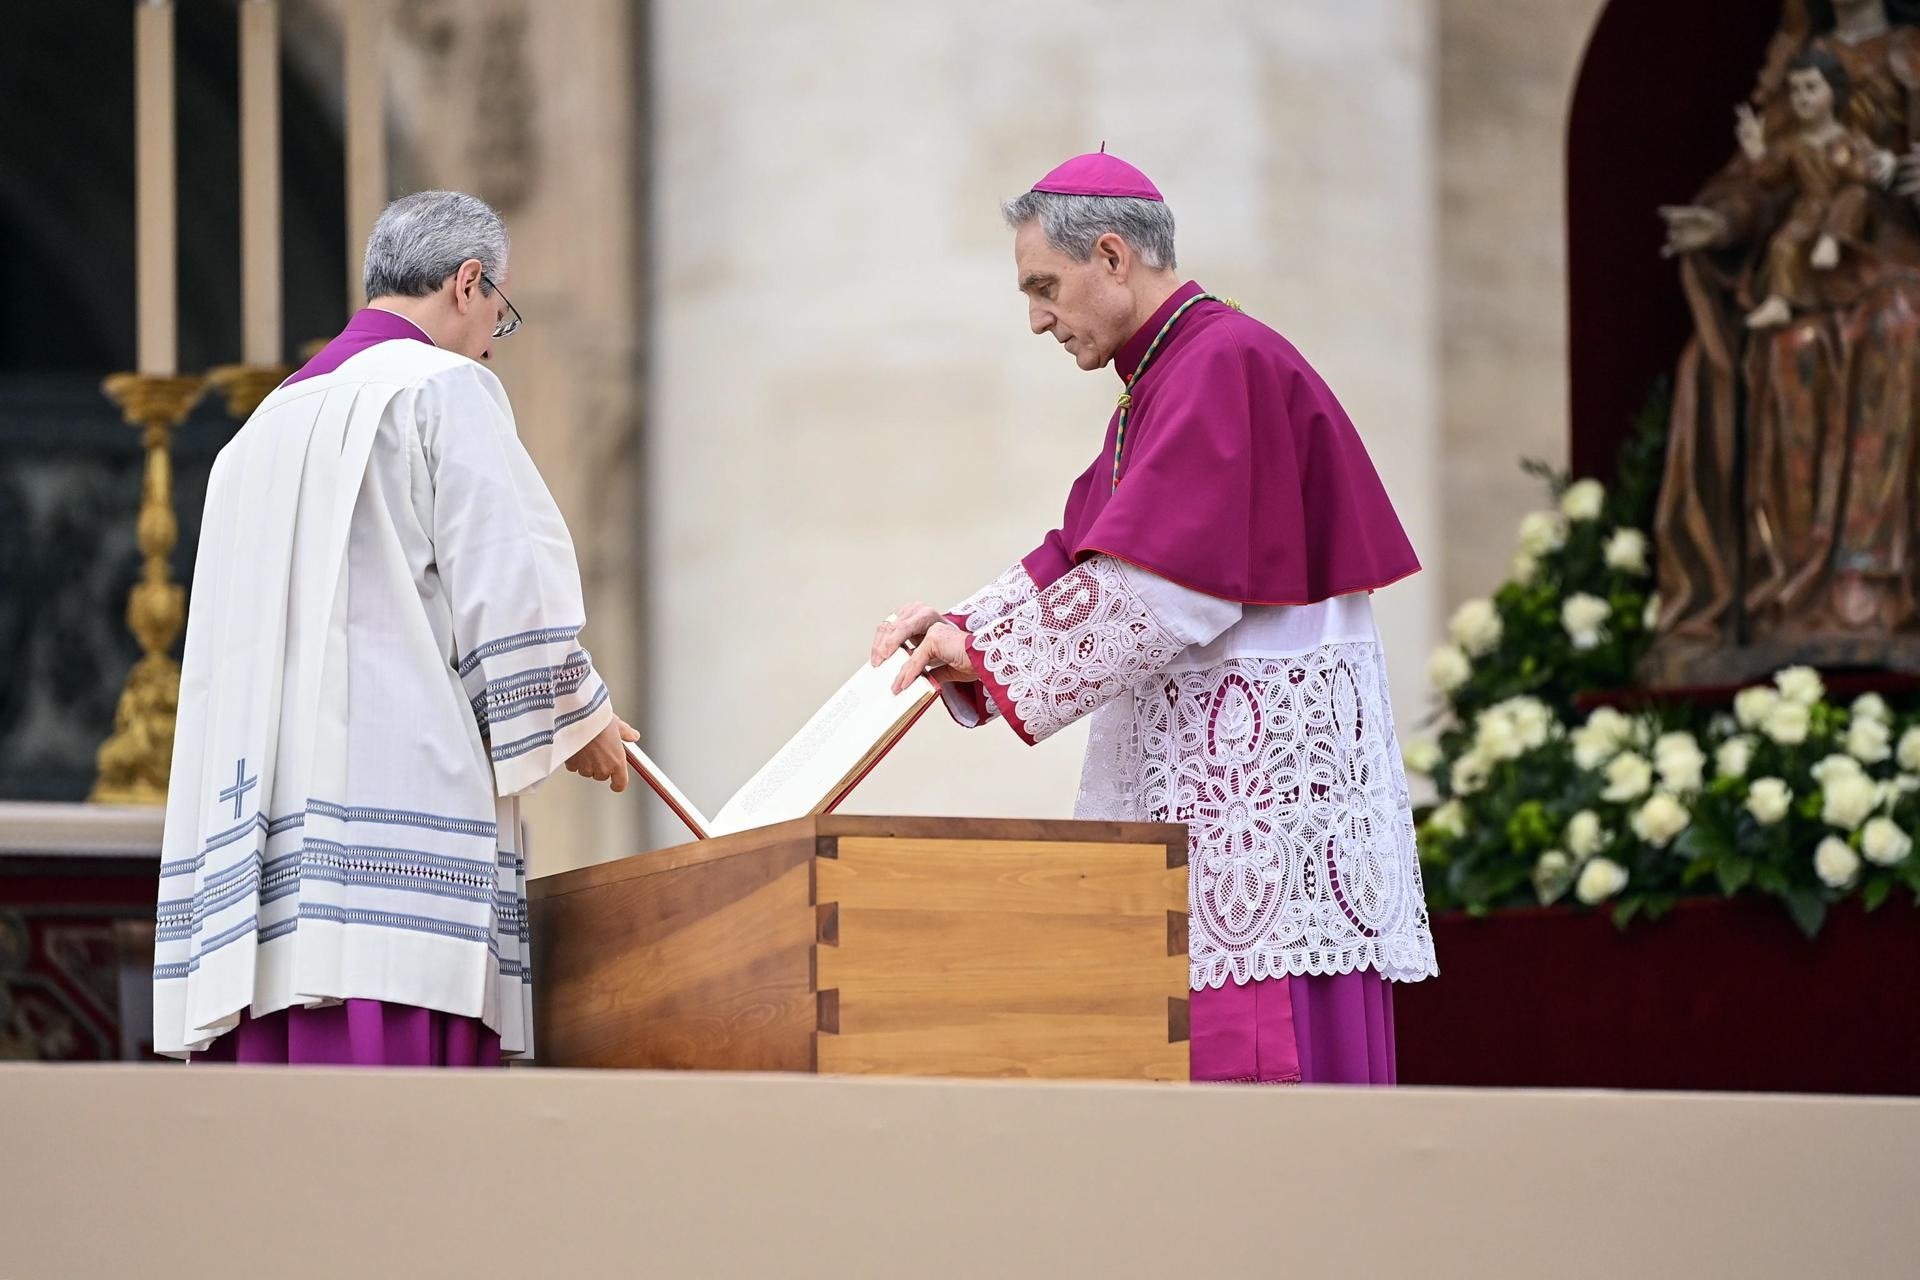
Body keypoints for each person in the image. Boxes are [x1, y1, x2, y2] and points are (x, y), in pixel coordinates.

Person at [872, 152, 1436, 1084]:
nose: (1037, 319)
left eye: (1045, 287)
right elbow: (1080, 552)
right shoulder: (1169, 377)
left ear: (1111, 256)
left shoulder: (1223, 364)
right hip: (1213, 822)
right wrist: (960, 626)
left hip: (1250, 842)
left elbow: (1170, 591)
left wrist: (984, 654)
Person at [152, 190, 637, 1065]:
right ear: (468, 282)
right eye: (500, 313)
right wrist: (583, 716)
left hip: (258, 879)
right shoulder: (445, 390)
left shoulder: (256, 433)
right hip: (396, 826)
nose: (494, 339)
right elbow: (505, 586)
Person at [1738, 47, 1891, 329]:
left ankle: (1832, 239)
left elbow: (1866, 173)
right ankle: (1779, 302)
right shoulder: (1790, 142)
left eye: (1811, 88)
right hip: (1809, 210)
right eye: (1795, 90)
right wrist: (1757, 151)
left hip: (1847, 214)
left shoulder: (1848, 136)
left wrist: (1865, 163)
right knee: (1782, 245)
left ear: (1833, 91)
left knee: (1855, 195)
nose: (1802, 97)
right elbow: (1770, 177)